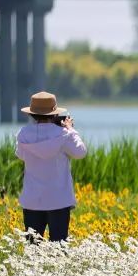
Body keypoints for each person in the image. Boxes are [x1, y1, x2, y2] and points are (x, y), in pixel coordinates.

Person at [14, 91, 87, 242]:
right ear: (55, 114)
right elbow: (80, 152)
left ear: (32, 114)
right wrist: (70, 129)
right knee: (59, 246)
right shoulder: (64, 134)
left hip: (32, 199)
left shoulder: (23, 134)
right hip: (59, 200)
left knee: (33, 247)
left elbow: (20, 155)